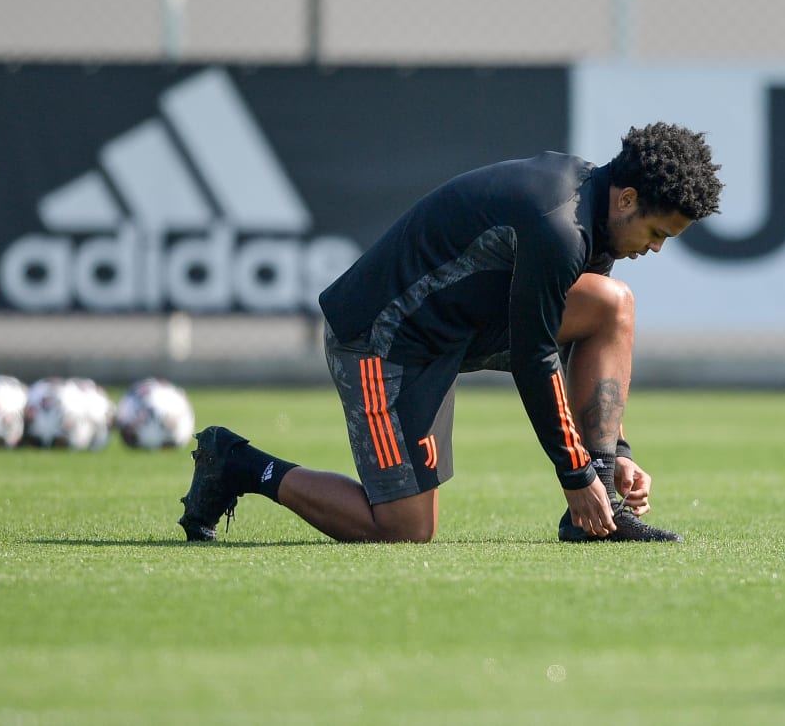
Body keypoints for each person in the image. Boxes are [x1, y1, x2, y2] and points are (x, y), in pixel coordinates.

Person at [177, 122, 723, 543]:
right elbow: (536, 356)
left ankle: (608, 486)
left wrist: (611, 454)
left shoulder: (595, 207)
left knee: (611, 305)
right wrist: (573, 474)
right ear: (627, 199)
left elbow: (560, 339)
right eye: (657, 232)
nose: (656, 248)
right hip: (382, 342)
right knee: (404, 529)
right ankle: (239, 464)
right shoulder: (561, 226)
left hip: (456, 330)